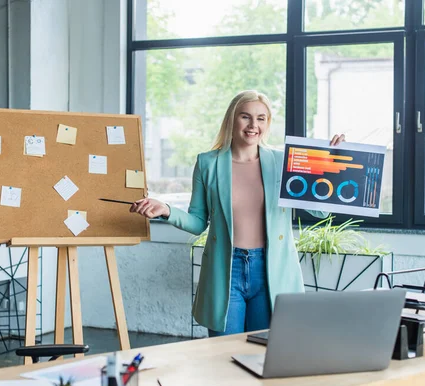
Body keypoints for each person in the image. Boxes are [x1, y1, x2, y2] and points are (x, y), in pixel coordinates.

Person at [130, 90, 345, 337]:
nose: (254, 125)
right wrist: (167, 210)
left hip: (270, 270)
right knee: (223, 354)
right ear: (232, 119)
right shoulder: (207, 163)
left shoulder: (284, 162)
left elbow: (317, 211)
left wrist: (329, 167)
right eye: (246, 117)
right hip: (225, 270)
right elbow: (198, 222)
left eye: (261, 118)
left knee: (261, 352)